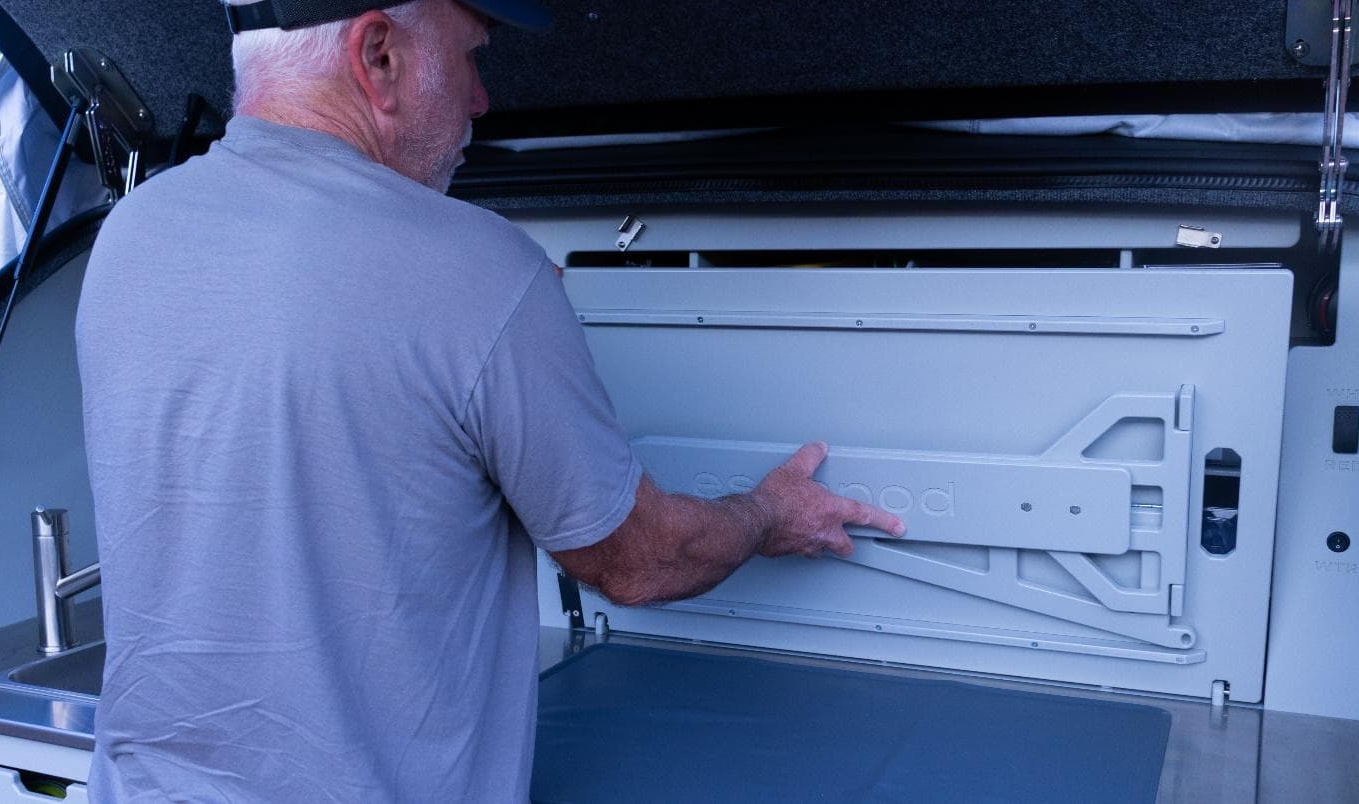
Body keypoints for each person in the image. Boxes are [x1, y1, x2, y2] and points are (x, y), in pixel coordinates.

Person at [74, 0, 905, 800]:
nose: (481, 99)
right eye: (471, 57)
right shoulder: (474, 269)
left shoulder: (133, 232)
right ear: (379, 57)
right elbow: (642, 562)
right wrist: (769, 513)